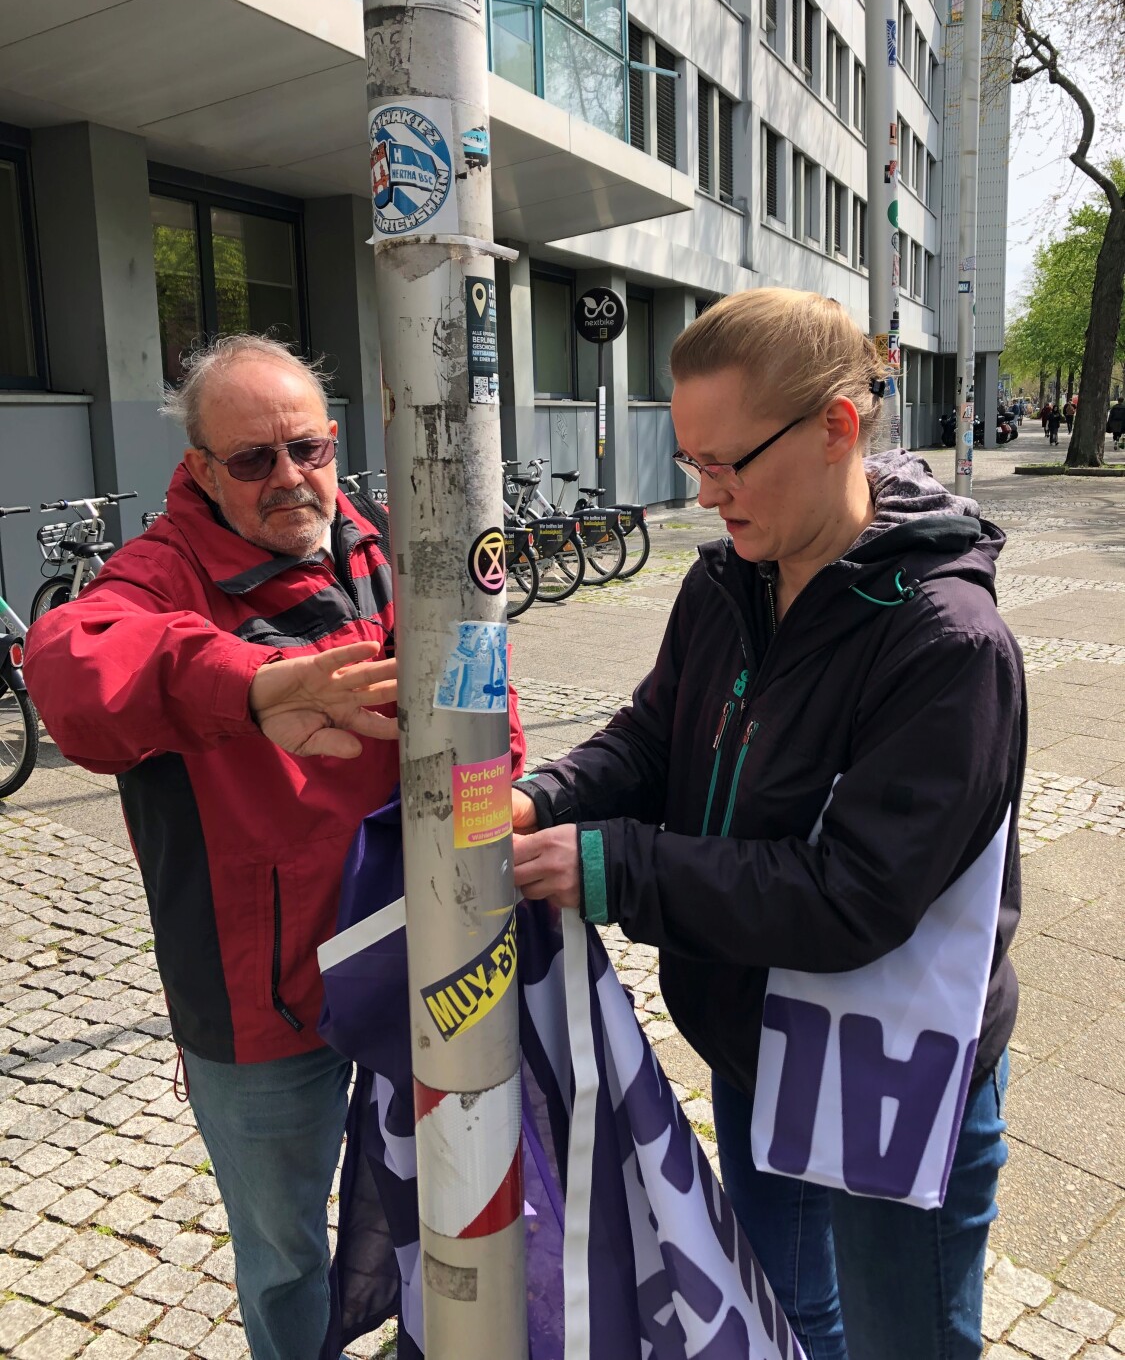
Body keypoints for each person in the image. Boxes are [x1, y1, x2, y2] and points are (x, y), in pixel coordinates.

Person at [510, 288, 1024, 1360]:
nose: (708, 497)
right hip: (756, 1043)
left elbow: (852, 898)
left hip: (892, 1071)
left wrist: (612, 866)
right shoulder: (728, 582)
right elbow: (653, 739)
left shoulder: (947, 643)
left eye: (729, 463)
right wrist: (544, 798)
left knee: (905, 1341)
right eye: (692, 466)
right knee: (780, 1313)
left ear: (839, 423)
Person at [24, 335, 525, 1360]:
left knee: (445, 1204)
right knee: (288, 1258)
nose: (290, 477)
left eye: (307, 447)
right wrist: (249, 688)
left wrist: (495, 768)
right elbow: (72, 668)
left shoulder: (380, 542)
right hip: (261, 1005)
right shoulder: (162, 572)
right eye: (252, 460)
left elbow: (489, 701)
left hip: (415, 955)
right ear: (201, 470)